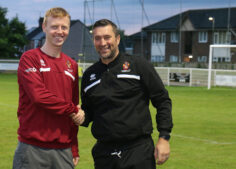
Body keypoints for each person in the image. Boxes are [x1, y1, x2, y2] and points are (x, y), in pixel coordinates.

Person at [79, 19, 173, 169]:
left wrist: (164, 137)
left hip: (138, 151)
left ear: (117, 39)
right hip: (104, 154)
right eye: (97, 38)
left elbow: (162, 101)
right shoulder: (89, 76)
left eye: (107, 37)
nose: (102, 43)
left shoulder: (138, 65)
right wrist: (78, 115)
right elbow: (89, 112)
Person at [13, 7, 84, 169]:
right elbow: (39, 96)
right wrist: (73, 109)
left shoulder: (72, 65)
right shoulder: (29, 58)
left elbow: (73, 110)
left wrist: (74, 147)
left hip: (64, 150)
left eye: (64, 27)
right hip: (32, 149)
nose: (60, 31)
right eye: (54, 27)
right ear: (44, 27)